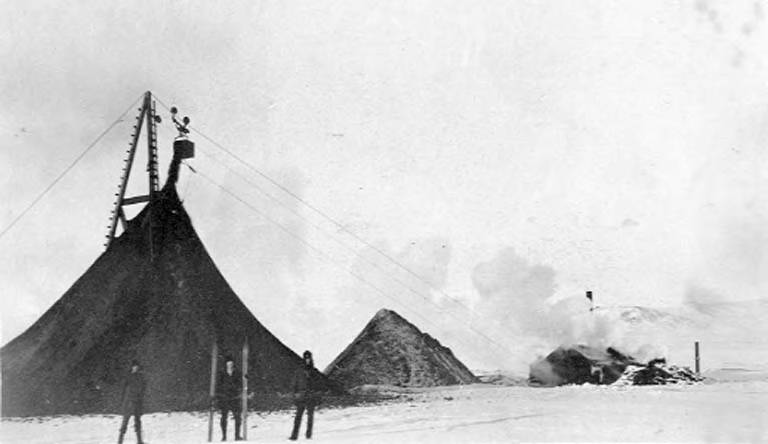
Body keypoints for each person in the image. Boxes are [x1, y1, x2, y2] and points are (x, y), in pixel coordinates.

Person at [289, 350, 321, 441]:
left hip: (311, 396)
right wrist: (295, 394)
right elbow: (294, 384)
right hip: (302, 396)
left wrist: (316, 393)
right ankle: (294, 436)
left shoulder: (314, 371)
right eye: (306, 358)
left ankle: (308, 435)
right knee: (298, 417)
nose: (307, 360)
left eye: (309, 358)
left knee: (310, 417)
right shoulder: (299, 371)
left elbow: (318, 384)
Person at [118, 360, 145, 444]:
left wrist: (141, 399)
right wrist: (123, 400)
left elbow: (143, 388)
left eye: (137, 366)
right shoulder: (128, 376)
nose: (135, 367)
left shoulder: (140, 376)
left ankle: (139, 441)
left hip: (137, 401)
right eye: (134, 366)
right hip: (129, 401)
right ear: (132, 367)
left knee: (138, 421)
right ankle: (120, 441)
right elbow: (123, 389)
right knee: (125, 420)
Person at [217, 355, 243, 441]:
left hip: (234, 397)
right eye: (228, 363)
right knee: (224, 417)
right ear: (225, 364)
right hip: (224, 397)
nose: (230, 365)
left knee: (237, 417)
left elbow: (240, 383)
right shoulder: (222, 373)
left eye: (231, 363)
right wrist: (219, 395)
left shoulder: (237, 372)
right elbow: (218, 385)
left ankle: (237, 436)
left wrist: (239, 390)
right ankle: (224, 436)